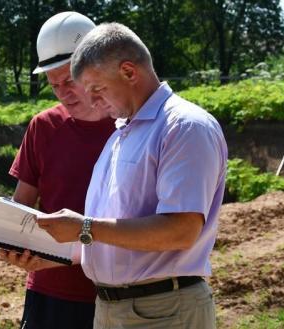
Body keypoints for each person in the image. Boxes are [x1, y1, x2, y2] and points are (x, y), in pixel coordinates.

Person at [36, 23, 228, 328]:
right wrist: (50, 255)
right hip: (113, 309)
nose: (94, 102)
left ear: (128, 72)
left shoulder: (184, 127)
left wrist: (84, 226)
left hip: (164, 311)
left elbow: (181, 230)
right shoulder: (120, 135)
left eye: (97, 90)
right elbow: (112, 233)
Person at [0, 12, 116, 329]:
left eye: (69, 81)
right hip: (51, 293)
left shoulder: (128, 126)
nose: (63, 92)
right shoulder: (43, 126)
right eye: (53, 85)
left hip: (114, 292)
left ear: (96, 67)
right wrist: (9, 237)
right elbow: (22, 201)